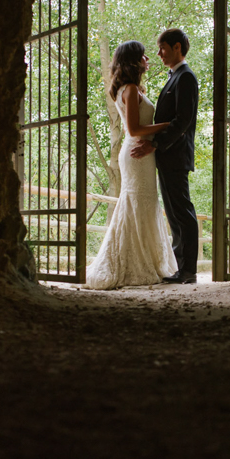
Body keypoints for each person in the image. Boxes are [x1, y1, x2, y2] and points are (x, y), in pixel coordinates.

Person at [85, 41, 178, 290]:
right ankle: (132, 262)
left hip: (139, 152)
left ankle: (145, 257)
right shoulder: (131, 88)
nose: (148, 58)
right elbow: (134, 129)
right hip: (137, 152)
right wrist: (168, 125)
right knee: (138, 202)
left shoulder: (129, 88)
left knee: (142, 203)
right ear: (133, 60)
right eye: (143, 55)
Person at [131, 28, 199, 284]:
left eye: (162, 48)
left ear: (177, 48)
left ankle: (189, 271)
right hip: (168, 156)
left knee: (182, 211)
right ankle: (182, 267)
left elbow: (182, 121)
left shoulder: (186, 78)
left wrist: (155, 145)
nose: (158, 53)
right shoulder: (175, 77)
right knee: (173, 213)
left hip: (176, 155)